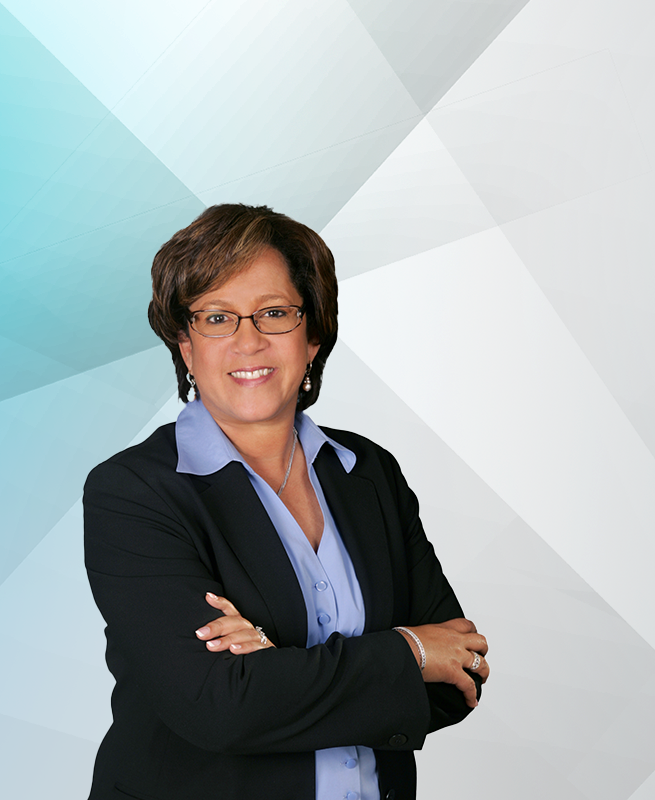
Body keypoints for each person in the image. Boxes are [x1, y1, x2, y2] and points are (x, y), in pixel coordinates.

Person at [83, 204, 489, 800]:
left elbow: (459, 674)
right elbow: (217, 707)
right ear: (186, 346)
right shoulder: (134, 492)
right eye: (216, 318)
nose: (248, 340)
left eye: (274, 313)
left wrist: (276, 670)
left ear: (312, 336)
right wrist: (408, 652)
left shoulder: (368, 472)